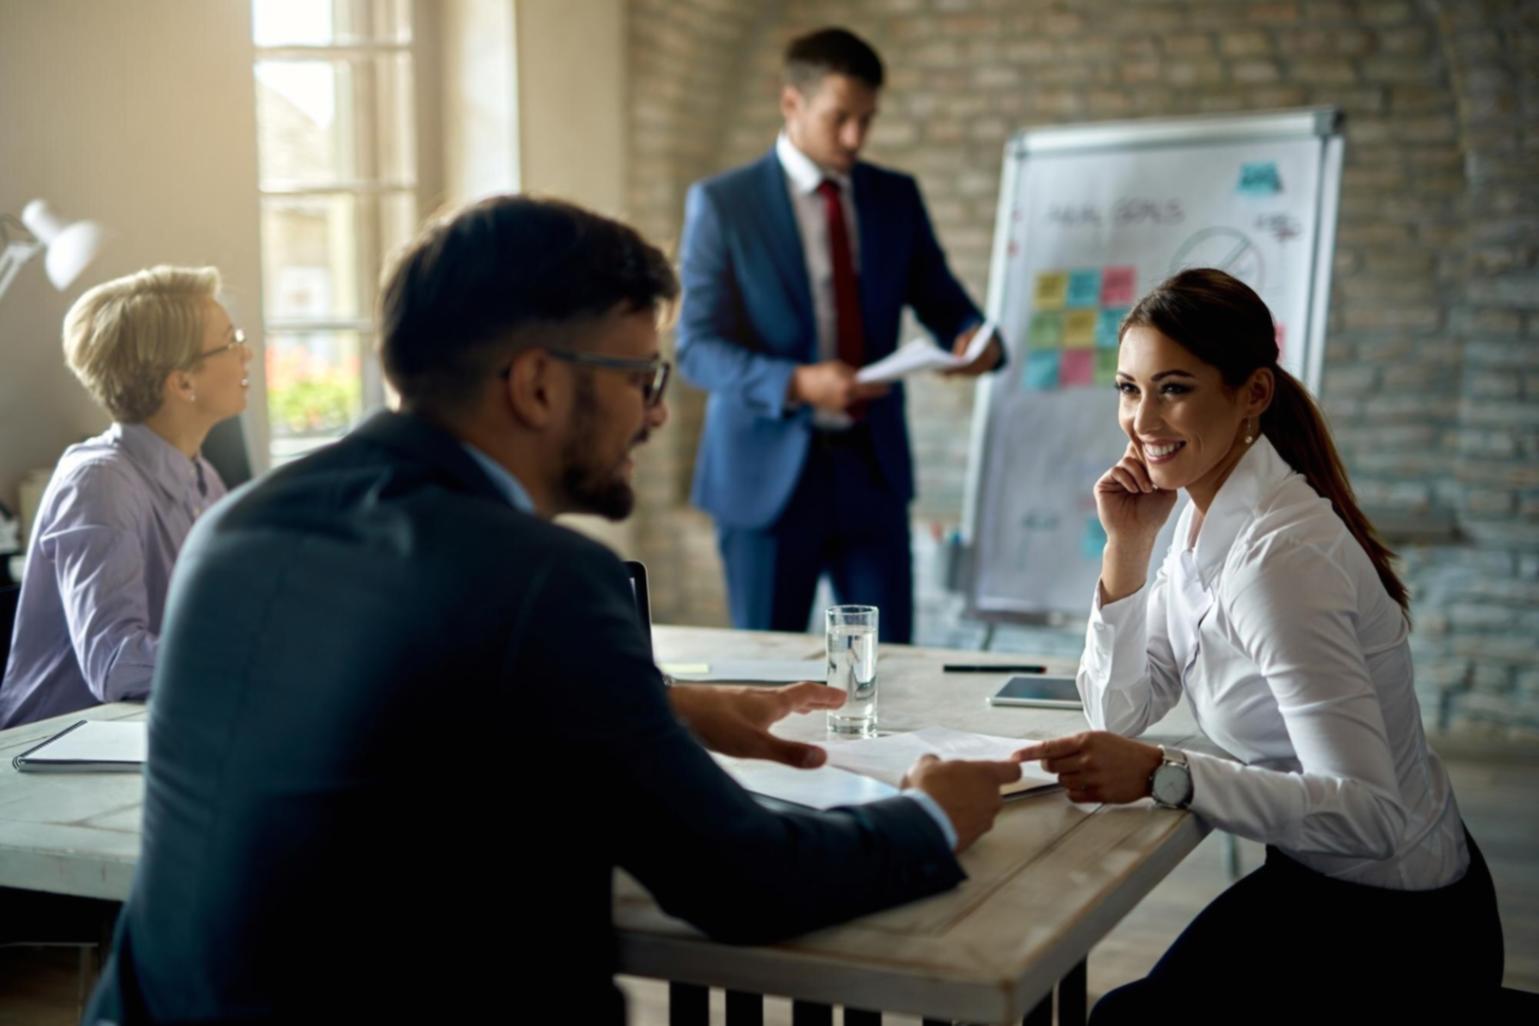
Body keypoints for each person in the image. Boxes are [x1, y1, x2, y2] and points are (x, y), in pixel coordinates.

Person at [86, 196, 1022, 1024]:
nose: (655, 415)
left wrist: (668, 707)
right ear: (536, 384)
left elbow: (409, 707)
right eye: (641, 379)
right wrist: (931, 816)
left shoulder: (242, 523)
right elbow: (742, 879)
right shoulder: (543, 579)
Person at [1014, 269, 1504, 1020]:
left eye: (1172, 388)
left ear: (1252, 394)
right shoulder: (1198, 515)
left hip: (1401, 921)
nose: (1141, 419)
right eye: (1126, 388)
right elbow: (1117, 714)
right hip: (1319, 877)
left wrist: (1162, 773)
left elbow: (1369, 814)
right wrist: (1126, 550)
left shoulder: (1279, 560)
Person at [677, 26, 1003, 644]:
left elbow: (950, 306)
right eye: (841, 118)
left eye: (868, 120)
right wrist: (797, 382)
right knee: (767, 677)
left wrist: (975, 344)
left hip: (871, 474)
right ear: (791, 103)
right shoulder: (724, 204)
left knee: (892, 673)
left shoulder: (894, 197)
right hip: (763, 482)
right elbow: (695, 347)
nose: (856, 137)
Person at [0, 266, 248, 728]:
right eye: (231, 341)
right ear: (182, 383)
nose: (247, 353)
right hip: (50, 758)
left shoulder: (203, 478)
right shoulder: (100, 484)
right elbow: (114, 665)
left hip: (142, 733)